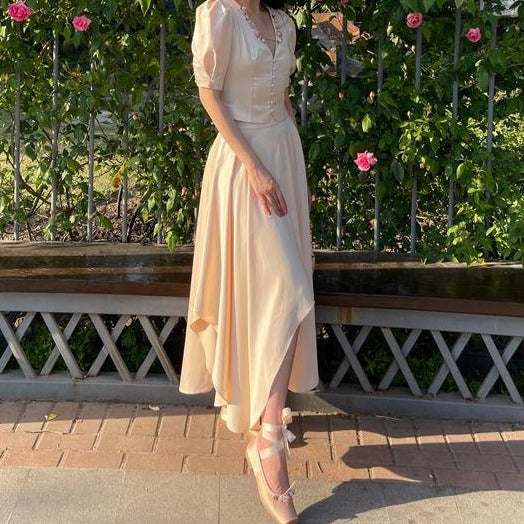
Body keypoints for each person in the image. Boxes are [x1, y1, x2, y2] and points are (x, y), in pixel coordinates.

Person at [179, 0, 318, 522]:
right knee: (289, 289)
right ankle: (270, 441)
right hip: (243, 169)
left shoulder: (285, 23)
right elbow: (209, 95)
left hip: (284, 155)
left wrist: (290, 170)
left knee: (281, 292)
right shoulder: (216, 15)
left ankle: (267, 421)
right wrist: (256, 168)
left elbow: (281, 101)